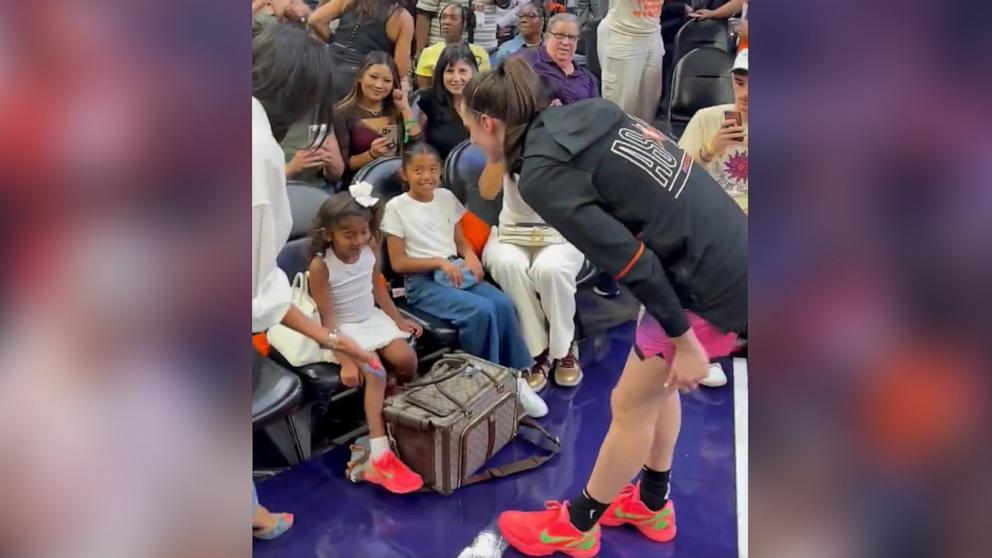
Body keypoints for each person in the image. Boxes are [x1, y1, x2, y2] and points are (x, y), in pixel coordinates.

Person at [460, 59, 746, 556]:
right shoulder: (592, 112)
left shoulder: (542, 175)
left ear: (489, 123)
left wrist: (684, 341)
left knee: (629, 405)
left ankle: (577, 525)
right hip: (723, 254)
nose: (472, 140)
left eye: (469, 128)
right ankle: (652, 503)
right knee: (655, 394)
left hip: (701, 283)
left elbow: (630, 260)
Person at [251, 24, 380, 538]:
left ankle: (250, 512)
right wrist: (329, 337)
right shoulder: (259, 153)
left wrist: (331, 337)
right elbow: (251, 290)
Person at [307, 189, 425, 493]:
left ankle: (391, 409)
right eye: (349, 234)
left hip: (371, 318)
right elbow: (326, 318)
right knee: (375, 371)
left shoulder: (370, 247)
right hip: (345, 329)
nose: (359, 240)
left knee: (406, 359)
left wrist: (398, 320)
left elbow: (378, 289)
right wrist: (346, 359)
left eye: (363, 231)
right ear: (328, 234)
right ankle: (380, 453)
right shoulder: (321, 267)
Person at [380, 143, 533, 372]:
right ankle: (486, 375)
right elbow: (398, 263)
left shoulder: (445, 197)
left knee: (502, 303)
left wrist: (470, 256)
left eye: (432, 169)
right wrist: (439, 262)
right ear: (405, 173)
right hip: (423, 283)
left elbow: (459, 239)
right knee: (481, 310)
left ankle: (517, 371)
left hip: (456, 271)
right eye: (418, 170)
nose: (426, 176)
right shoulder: (395, 207)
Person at [478, 167, 585, 392]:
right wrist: (502, 151)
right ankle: (537, 349)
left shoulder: (569, 136)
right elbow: (487, 192)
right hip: (512, 231)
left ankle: (564, 347)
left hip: (562, 230)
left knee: (551, 269)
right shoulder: (507, 137)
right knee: (508, 265)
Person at [333, 51, 423, 185]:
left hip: (395, 182)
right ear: (360, 77)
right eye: (373, 77)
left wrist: (405, 108)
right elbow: (342, 165)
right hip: (357, 184)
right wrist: (371, 154)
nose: (379, 85)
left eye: (387, 80)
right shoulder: (341, 113)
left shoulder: (396, 110)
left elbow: (416, 143)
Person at [679, 49, 748, 214]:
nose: (745, 94)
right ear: (731, 80)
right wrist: (709, 150)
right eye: (740, 83)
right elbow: (678, 174)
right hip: (710, 211)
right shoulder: (705, 118)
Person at [308, 0, 415, 103]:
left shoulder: (349, 1)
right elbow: (400, 69)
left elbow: (315, 19)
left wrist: (333, 41)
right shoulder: (402, 18)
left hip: (326, 70)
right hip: (361, 83)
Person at [597, 0, 665, 122]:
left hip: (652, 33)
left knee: (648, 105)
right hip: (623, 34)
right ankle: (616, 138)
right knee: (622, 105)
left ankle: (640, 140)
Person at [416, 44, 478, 160]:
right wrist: (405, 109)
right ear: (441, 74)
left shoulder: (486, 102)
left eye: (462, 71)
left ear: (473, 73)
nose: (456, 78)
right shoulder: (429, 99)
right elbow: (414, 141)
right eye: (450, 71)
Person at [523, 13, 598, 105]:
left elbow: (595, 114)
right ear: (547, 37)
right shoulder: (527, 65)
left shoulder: (588, 79)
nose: (566, 42)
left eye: (571, 37)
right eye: (560, 36)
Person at [414, 4, 491, 89]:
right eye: (443, 17)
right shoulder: (428, 53)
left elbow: (484, 87)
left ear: (464, 23)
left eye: (453, 18)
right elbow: (424, 91)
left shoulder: (480, 53)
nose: (446, 22)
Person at [416, 0, 499, 54]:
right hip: (442, 54)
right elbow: (424, 13)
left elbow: (504, 3)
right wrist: (420, 54)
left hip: (487, 54)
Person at [490, 0, 545, 68]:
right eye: (520, 16)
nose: (523, 20)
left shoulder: (551, 46)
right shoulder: (505, 51)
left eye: (531, 16)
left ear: (542, 21)